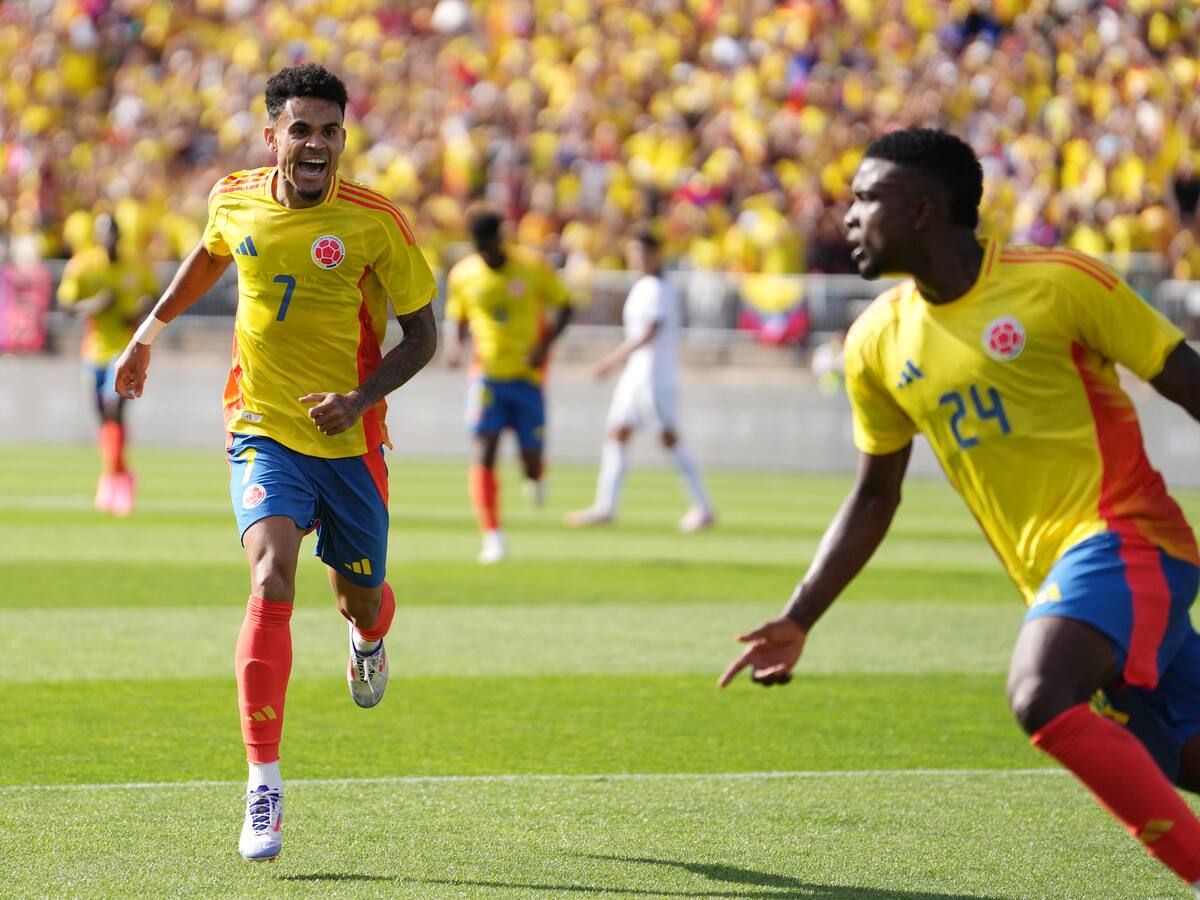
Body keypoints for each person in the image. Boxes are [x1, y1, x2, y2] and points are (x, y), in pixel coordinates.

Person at [718, 127, 1200, 892]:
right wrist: (801, 615)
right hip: (1054, 581)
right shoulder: (875, 341)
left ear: (922, 209)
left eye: (865, 199)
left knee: (1040, 693)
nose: (847, 217)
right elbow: (876, 494)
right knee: (1185, 759)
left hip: (1128, 540)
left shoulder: (1058, 283)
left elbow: (1188, 382)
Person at [112, 63, 438, 863]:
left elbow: (425, 337)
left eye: (330, 130)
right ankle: (264, 784)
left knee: (359, 598)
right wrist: (145, 335)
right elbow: (208, 255)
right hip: (262, 426)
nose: (317, 143)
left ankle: (368, 637)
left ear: (343, 138)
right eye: (302, 129)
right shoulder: (234, 196)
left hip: (352, 443)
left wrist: (359, 400)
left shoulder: (374, 223)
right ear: (274, 137)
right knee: (271, 581)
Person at [443, 206, 572, 563]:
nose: (487, 252)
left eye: (491, 243)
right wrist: (454, 346)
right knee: (484, 452)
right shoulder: (465, 274)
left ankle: (535, 475)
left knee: (530, 462)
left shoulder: (532, 267)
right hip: (487, 377)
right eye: (480, 246)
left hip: (528, 378)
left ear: (502, 237)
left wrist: (544, 347)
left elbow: (565, 304)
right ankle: (493, 536)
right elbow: (456, 314)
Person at [564, 229, 715, 532]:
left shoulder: (659, 287)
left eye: (641, 253)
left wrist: (610, 361)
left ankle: (702, 506)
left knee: (668, 439)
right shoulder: (644, 285)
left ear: (655, 254)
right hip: (637, 374)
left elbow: (648, 333)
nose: (636, 259)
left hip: (655, 376)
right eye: (633, 253)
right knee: (617, 433)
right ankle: (605, 506)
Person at [56, 213, 156, 515]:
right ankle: (120, 473)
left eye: (114, 232)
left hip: (124, 352)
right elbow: (65, 306)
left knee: (115, 407)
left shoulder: (135, 264)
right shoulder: (84, 265)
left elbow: (153, 295)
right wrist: (95, 304)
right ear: (98, 237)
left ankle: (113, 480)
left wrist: (140, 309)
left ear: (120, 235)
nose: (110, 238)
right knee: (104, 418)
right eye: (105, 233)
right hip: (94, 351)